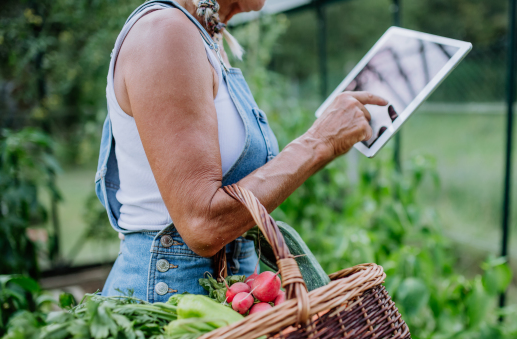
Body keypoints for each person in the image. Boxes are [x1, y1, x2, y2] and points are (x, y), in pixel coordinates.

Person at [96, 0, 387, 302]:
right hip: (169, 300)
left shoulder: (203, 37)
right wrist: (318, 143)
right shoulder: (164, 33)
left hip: (226, 289)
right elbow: (202, 224)